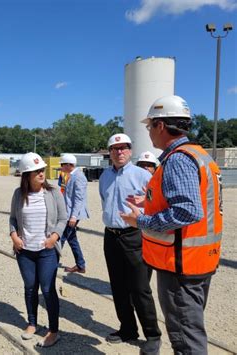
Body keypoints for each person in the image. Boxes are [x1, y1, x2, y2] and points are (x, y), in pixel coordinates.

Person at [121, 95, 223, 355]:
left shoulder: (177, 160)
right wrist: (150, 202)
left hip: (181, 267)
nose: (149, 132)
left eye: (149, 126)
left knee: (186, 339)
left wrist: (140, 220)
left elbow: (188, 212)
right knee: (190, 330)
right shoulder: (200, 156)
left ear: (161, 126)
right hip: (198, 260)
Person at [99, 133, 162, 354]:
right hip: (111, 236)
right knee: (118, 286)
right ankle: (127, 329)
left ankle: (153, 335)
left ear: (131, 150)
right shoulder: (105, 176)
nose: (119, 152)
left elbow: (156, 205)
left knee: (139, 288)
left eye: (124, 147)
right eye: (115, 148)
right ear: (110, 152)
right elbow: (104, 201)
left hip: (134, 236)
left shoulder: (143, 176)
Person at [9, 152, 67, 348]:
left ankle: (53, 330)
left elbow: (63, 218)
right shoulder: (18, 194)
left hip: (46, 251)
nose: (41, 173)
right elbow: (13, 220)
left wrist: (54, 238)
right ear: (26, 175)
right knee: (30, 287)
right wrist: (14, 236)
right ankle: (32, 323)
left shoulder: (53, 192)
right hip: (25, 252)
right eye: (36, 171)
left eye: (42, 170)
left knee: (49, 289)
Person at [58, 153, 89, 273]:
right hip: (67, 212)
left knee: (61, 237)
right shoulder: (66, 175)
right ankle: (80, 265)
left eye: (62, 165)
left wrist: (74, 217)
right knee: (72, 239)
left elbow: (79, 198)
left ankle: (50, 262)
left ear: (69, 165)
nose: (61, 167)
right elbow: (62, 191)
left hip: (73, 214)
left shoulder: (79, 177)